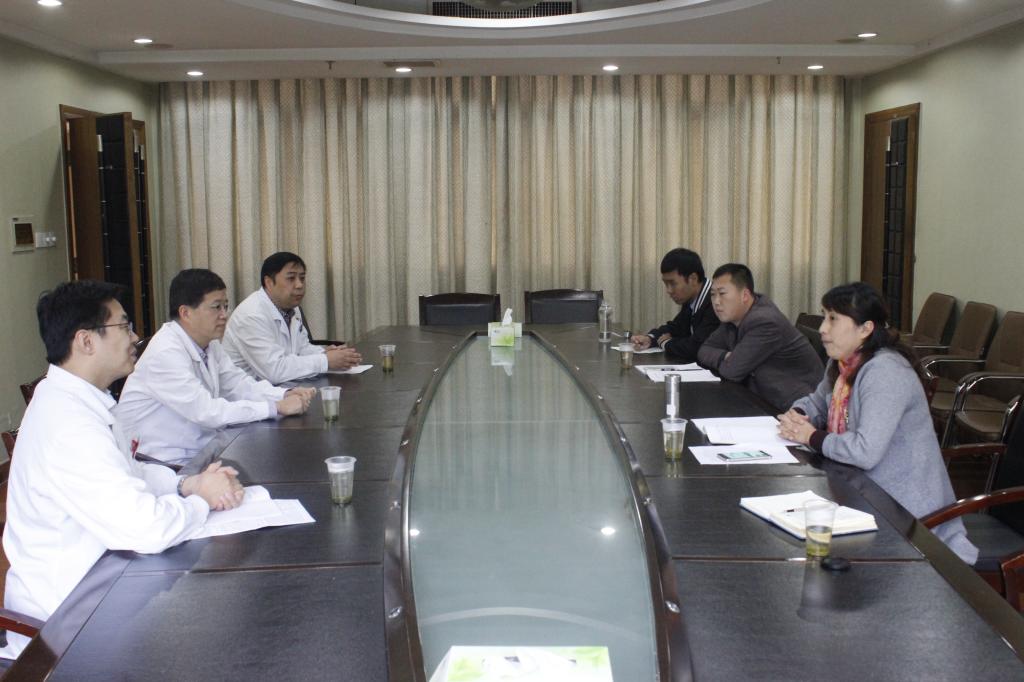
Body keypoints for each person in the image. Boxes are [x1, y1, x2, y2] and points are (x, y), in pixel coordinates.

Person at [1, 281, 244, 661]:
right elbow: (145, 529)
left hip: (105, 590)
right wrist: (203, 500)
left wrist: (188, 484)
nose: (135, 337)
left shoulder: (83, 400)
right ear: (86, 341)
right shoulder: (67, 424)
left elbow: (130, 474)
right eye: (124, 326)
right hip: (66, 631)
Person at [777, 282, 977, 564]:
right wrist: (798, 414)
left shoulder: (886, 371)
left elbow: (864, 451)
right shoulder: (844, 362)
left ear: (865, 329)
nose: (822, 328)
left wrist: (811, 436)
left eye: (833, 319)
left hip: (907, 515)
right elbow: (818, 402)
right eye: (824, 317)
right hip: (862, 492)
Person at [115, 269, 315, 466]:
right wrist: (275, 407)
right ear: (185, 313)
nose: (224, 315)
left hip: (203, 449)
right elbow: (206, 411)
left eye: (225, 306)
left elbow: (238, 385)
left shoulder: (209, 343)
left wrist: (283, 394)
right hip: (163, 464)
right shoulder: (165, 352)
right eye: (216, 307)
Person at [697, 263, 822, 411]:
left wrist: (731, 361)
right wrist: (725, 356)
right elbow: (703, 350)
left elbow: (732, 371)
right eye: (713, 294)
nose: (716, 301)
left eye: (722, 293)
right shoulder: (733, 317)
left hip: (793, 408)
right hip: (758, 396)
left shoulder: (765, 321)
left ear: (745, 295)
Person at [222, 252, 361, 384]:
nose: (299, 285)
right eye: (291, 278)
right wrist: (325, 361)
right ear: (269, 282)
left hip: (284, 388)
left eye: (302, 278)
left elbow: (301, 348)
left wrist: (324, 353)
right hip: (251, 395)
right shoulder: (251, 315)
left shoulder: (291, 308)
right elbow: (274, 370)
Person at [629, 247, 719, 362]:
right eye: (666, 284)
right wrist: (650, 339)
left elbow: (697, 347)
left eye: (672, 283)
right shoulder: (692, 298)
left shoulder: (716, 302)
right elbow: (676, 328)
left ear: (693, 278)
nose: (669, 290)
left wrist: (666, 343)